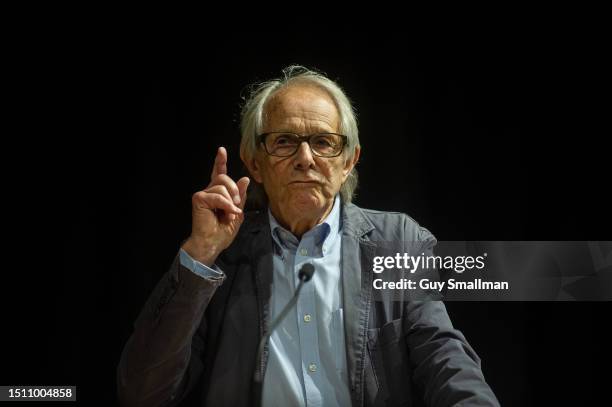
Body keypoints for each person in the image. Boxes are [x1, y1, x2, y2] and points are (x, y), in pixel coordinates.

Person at [117, 66, 500, 407]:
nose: (305, 158)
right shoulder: (222, 254)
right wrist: (199, 255)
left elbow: (442, 356)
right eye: (284, 141)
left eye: (323, 142)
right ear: (255, 162)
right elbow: (142, 392)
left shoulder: (396, 241)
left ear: (348, 161)